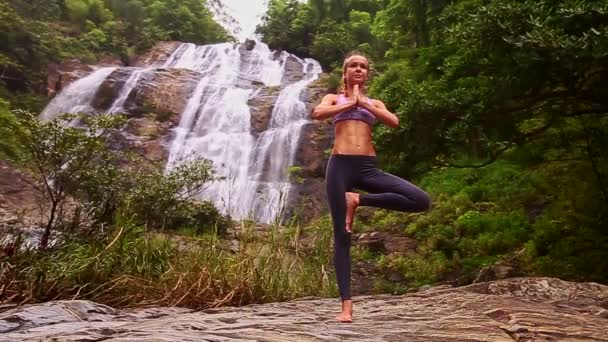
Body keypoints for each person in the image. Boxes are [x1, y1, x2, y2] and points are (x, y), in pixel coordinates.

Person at [311, 52, 431, 323]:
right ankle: (346, 308)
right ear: (345, 72)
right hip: (339, 165)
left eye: (363, 66)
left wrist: (364, 103)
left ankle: (359, 199)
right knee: (342, 235)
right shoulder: (333, 98)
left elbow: (394, 121)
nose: (358, 69)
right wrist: (348, 104)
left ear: (367, 74)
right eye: (353, 65)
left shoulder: (373, 102)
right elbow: (318, 113)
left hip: (368, 168)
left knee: (420, 199)